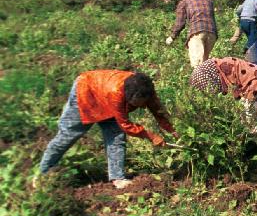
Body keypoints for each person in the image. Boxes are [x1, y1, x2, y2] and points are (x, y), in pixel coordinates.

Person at [36, 71, 176, 189]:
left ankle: (117, 177)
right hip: (86, 93)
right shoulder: (116, 93)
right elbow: (125, 125)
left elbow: (158, 111)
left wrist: (173, 131)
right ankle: (43, 172)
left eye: (144, 102)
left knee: (116, 137)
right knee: (68, 135)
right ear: (127, 97)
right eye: (137, 104)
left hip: (104, 92)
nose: (142, 107)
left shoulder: (145, 89)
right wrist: (151, 136)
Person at [190, 56, 257, 134]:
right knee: (209, 114)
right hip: (208, 75)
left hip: (207, 68)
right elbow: (247, 112)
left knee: (209, 111)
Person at [166, 0, 218, 68]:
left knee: (197, 65)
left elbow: (180, 22)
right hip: (212, 33)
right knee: (205, 64)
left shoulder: (184, 2)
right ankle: (208, 80)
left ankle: (197, 80)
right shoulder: (208, 1)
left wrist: (172, 36)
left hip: (197, 32)